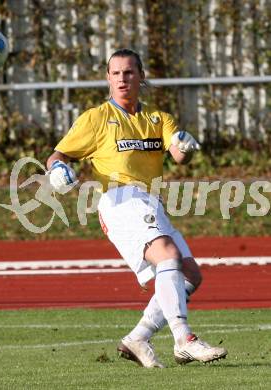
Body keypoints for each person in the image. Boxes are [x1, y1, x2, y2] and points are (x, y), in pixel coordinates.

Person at [46, 48, 228, 368]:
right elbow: (57, 155)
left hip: (150, 202)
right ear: (107, 78)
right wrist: (58, 171)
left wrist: (185, 145)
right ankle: (184, 340)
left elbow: (179, 154)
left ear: (141, 77)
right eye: (115, 73)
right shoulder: (97, 118)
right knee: (168, 254)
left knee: (190, 275)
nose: (122, 78)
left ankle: (138, 338)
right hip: (120, 200)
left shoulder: (158, 119)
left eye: (129, 72)